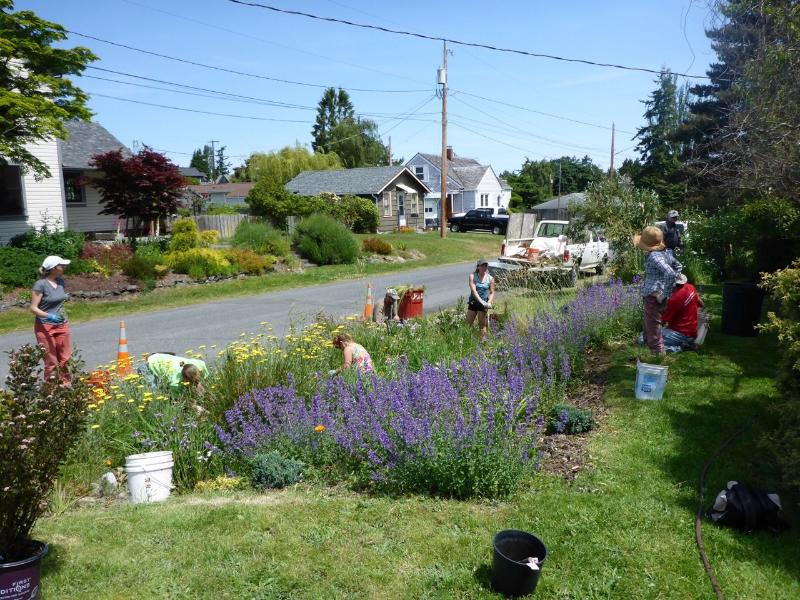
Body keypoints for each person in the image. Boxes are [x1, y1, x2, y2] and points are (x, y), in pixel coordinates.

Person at [636, 226, 682, 356]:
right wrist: (668, 288)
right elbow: (678, 266)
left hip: (654, 295)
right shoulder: (666, 253)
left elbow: (669, 273)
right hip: (655, 294)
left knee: (653, 328)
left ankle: (658, 356)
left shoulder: (654, 256)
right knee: (649, 325)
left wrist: (664, 294)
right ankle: (647, 351)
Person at [30, 255, 73, 383]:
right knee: (51, 361)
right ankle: (52, 392)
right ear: (54, 268)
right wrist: (49, 316)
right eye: (62, 265)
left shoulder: (60, 282)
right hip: (45, 326)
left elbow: (58, 299)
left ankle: (66, 387)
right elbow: (33, 308)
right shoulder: (40, 285)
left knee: (65, 358)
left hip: (62, 324)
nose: (64, 267)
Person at [661, 273, 704, 352]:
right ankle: (688, 343)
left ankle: (679, 348)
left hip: (680, 334)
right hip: (692, 333)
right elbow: (701, 303)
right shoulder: (691, 287)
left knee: (647, 340)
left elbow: (662, 321)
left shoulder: (674, 299)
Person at [139, 353, 208, 393]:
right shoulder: (175, 382)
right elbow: (178, 399)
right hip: (147, 367)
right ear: (184, 379)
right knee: (154, 394)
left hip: (160, 359)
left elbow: (205, 380)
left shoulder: (201, 365)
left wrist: (200, 386)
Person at [466, 258, 495, 340]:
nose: (484, 267)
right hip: (473, 302)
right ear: (478, 266)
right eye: (482, 266)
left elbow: (492, 292)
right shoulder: (472, 276)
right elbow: (473, 290)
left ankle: (483, 343)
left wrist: (489, 302)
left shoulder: (490, 278)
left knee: (482, 325)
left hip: (483, 305)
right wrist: (481, 301)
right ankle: (465, 341)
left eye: (485, 266)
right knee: (467, 324)